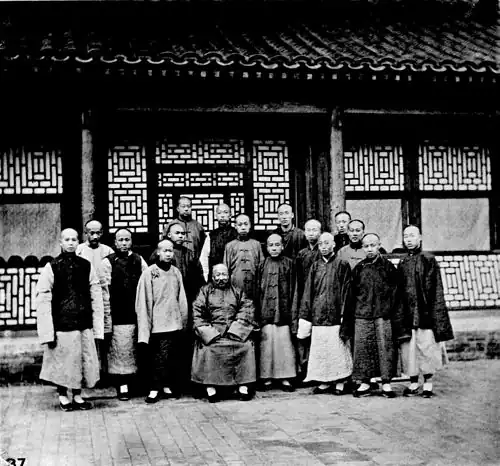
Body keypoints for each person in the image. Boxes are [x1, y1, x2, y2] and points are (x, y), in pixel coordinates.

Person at [36, 228, 104, 411]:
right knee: (63, 361)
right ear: (61, 242)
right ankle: (62, 395)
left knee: (80, 360)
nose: (71, 243)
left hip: (83, 321)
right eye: (67, 240)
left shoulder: (86, 265)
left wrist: (97, 322)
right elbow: (43, 297)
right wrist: (47, 330)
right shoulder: (52, 266)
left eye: (74, 239)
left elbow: (95, 292)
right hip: (62, 322)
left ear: (78, 242)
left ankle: (77, 395)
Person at [344, 233, 404, 398]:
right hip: (362, 314)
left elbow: (396, 292)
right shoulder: (359, 268)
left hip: (383, 314)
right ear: (363, 248)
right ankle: (365, 382)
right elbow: (351, 294)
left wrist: (389, 310)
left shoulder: (388, 267)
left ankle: (386, 383)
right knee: (363, 348)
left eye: (373, 245)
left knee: (385, 348)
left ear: (379, 245)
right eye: (366, 246)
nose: (369, 249)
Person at [398, 225, 454, 398]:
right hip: (408, 312)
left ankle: (428, 382)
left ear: (420, 237)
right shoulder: (403, 262)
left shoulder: (429, 259)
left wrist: (433, 312)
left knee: (427, 347)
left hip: (425, 311)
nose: (409, 239)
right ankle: (414, 382)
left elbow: (436, 289)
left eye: (412, 236)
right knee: (410, 349)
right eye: (406, 236)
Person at [191, 264, 258, 402]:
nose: (221, 278)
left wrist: (235, 330)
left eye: (224, 275)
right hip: (212, 333)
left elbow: (246, 310)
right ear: (212, 276)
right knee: (208, 349)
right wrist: (210, 333)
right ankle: (210, 387)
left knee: (246, 346)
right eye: (217, 275)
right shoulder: (204, 291)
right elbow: (197, 313)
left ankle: (243, 386)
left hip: (234, 332)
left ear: (229, 276)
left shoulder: (237, 291)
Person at [297, 233, 353, 395]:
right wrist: (306, 314)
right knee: (322, 350)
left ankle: (340, 381)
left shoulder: (342, 264)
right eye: (321, 244)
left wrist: (343, 314)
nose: (323, 247)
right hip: (318, 315)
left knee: (338, 350)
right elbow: (308, 292)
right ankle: (324, 381)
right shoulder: (315, 266)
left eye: (327, 243)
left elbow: (346, 291)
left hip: (336, 315)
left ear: (334, 244)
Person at [135, 239, 188, 403]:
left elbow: (181, 298)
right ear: (158, 252)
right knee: (156, 359)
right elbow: (143, 301)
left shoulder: (176, 272)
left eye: (171, 251)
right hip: (157, 324)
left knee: (171, 357)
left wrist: (182, 320)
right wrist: (146, 326)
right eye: (165, 250)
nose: (168, 254)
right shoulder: (149, 273)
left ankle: (166, 385)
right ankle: (154, 388)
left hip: (173, 321)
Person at [101, 229, 148, 401]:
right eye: (120, 240)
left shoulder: (139, 259)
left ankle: (137, 383)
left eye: (127, 240)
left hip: (136, 310)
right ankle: (122, 384)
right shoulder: (108, 262)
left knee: (137, 348)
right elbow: (104, 290)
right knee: (120, 350)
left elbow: (146, 282)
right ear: (115, 242)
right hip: (118, 312)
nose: (124, 243)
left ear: (131, 241)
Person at [256, 234, 296, 392]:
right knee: (266, 345)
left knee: (284, 345)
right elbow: (257, 289)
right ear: (266, 247)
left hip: (283, 311)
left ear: (282, 246)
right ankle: (266, 378)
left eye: (277, 245)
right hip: (266, 310)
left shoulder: (289, 264)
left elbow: (294, 288)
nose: (274, 248)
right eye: (271, 245)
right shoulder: (261, 265)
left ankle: (285, 377)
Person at [76, 220, 114, 381]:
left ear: (102, 233)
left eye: (98, 233)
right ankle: (88, 373)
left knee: (105, 334)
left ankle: (105, 372)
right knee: (87, 336)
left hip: (105, 298)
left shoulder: (108, 251)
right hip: (85, 298)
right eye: (92, 233)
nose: (95, 236)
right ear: (86, 233)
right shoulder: (79, 250)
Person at [291, 219, 322, 379]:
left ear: (320, 232)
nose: (311, 233)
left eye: (315, 230)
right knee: (302, 333)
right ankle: (303, 369)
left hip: (319, 295)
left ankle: (317, 371)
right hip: (304, 296)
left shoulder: (323, 252)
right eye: (308, 230)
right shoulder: (301, 254)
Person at [224, 214, 263, 304]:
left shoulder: (256, 244)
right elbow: (226, 268)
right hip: (236, 285)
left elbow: (261, 267)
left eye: (246, 224)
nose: (243, 227)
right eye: (240, 224)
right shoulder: (230, 246)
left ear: (250, 225)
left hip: (253, 286)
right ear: (235, 226)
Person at [199, 203, 238, 282]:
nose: (222, 216)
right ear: (216, 215)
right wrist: (206, 275)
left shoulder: (236, 234)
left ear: (230, 215)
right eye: (219, 213)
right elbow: (204, 257)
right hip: (215, 276)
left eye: (225, 212)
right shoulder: (211, 235)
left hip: (233, 275)